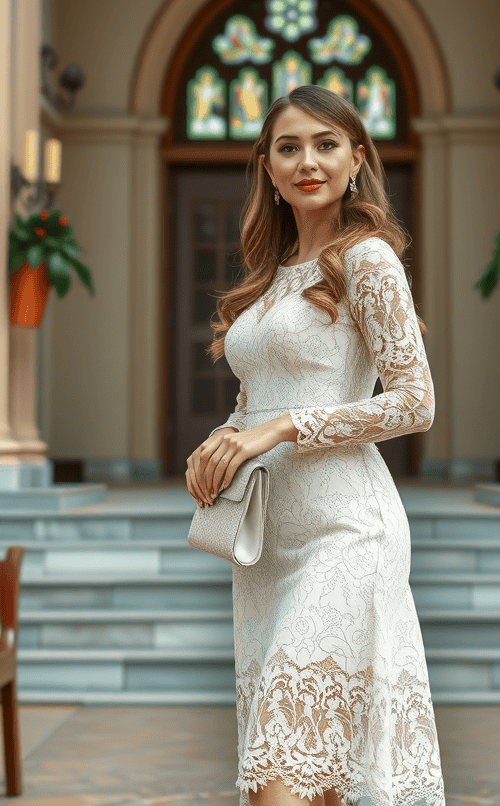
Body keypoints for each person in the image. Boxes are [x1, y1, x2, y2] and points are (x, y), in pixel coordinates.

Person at [185, 85, 446, 806]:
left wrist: (285, 427)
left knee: (281, 782)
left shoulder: (366, 260)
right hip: (266, 545)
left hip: (346, 533)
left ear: (357, 158)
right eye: (288, 147)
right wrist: (221, 444)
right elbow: (252, 401)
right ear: (266, 167)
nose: (308, 161)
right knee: (316, 780)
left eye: (327, 144)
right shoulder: (265, 282)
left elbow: (415, 402)